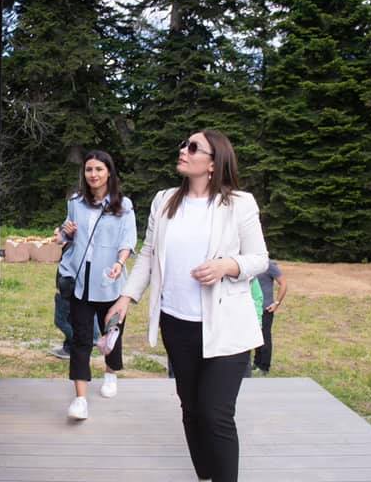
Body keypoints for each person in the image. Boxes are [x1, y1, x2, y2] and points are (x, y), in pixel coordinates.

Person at [106, 130, 268, 482]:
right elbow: (148, 254)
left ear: (213, 163)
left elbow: (259, 258)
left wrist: (227, 265)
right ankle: (206, 474)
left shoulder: (240, 203)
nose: (183, 150)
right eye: (183, 144)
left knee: (215, 413)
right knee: (192, 409)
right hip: (177, 324)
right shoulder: (164, 200)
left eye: (193, 147)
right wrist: (126, 297)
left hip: (226, 327)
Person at [56, 150, 136, 420]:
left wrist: (120, 262)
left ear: (109, 172)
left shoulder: (124, 205)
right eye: (89, 169)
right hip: (80, 279)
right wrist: (65, 233)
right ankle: (80, 400)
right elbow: (64, 235)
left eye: (99, 169)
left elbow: (128, 240)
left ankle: (111, 372)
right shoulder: (75, 202)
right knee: (80, 339)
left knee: (111, 333)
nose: (93, 174)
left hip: (109, 279)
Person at [252, 260, 287, 375]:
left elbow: (283, 283)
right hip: (253, 308)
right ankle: (257, 362)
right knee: (256, 337)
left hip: (266, 309)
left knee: (265, 337)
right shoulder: (251, 263)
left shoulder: (268, 265)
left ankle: (264, 366)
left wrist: (276, 303)